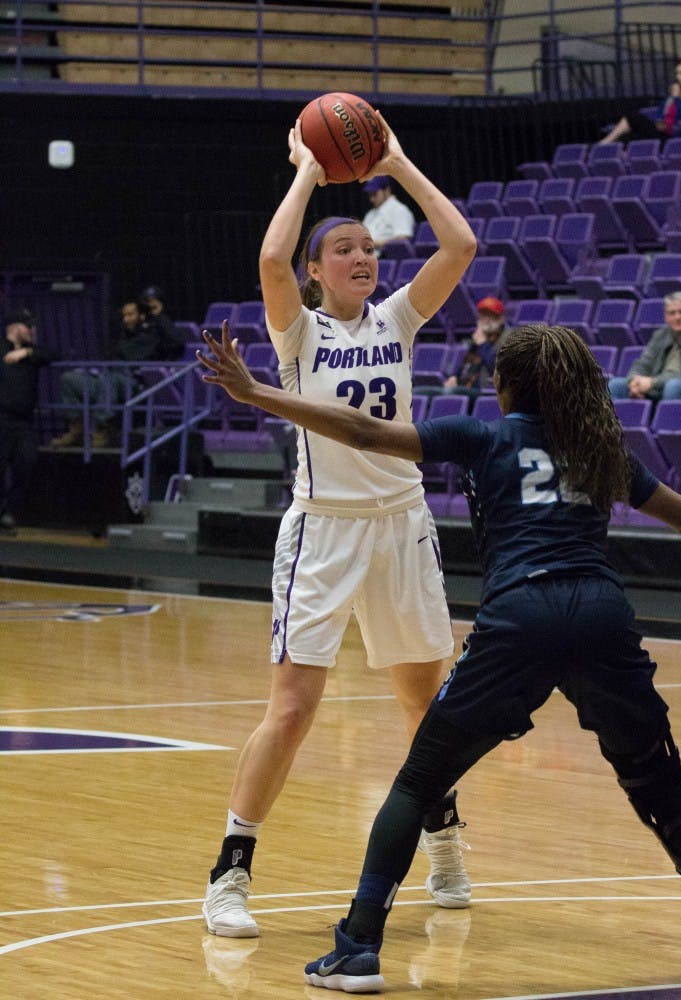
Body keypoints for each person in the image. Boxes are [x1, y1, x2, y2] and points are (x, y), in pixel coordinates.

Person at [199, 320, 681, 993]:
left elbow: (362, 432)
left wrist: (258, 392)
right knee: (660, 784)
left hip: (520, 619)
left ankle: (357, 948)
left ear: (503, 386)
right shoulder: (602, 445)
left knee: (418, 782)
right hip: (601, 614)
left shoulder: (485, 435)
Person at [200, 111, 477, 939]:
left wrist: (396, 161)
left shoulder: (396, 319)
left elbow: (458, 245)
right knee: (293, 708)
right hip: (323, 531)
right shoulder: (300, 332)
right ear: (319, 271)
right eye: (345, 249)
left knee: (427, 706)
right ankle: (230, 874)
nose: (363, 256)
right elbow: (268, 257)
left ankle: (445, 841)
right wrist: (306, 172)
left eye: (369, 248)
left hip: (401, 524)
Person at [50, 297, 186, 448]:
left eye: (130, 315)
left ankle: (102, 429)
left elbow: (178, 342)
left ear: (141, 316)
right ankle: (76, 431)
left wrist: (159, 315)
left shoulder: (154, 335)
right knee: (69, 379)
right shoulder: (122, 336)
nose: (126, 319)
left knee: (112, 379)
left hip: (136, 384)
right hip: (107, 381)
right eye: (124, 315)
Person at [0, 308, 53, 534]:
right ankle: (3, 515)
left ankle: (9, 510)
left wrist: (26, 353)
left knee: (27, 463)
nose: (31, 330)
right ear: (14, 328)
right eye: (27, 326)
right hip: (1, 418)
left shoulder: (32, 354)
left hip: (23, 421)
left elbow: (52, 355)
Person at [608, 292, 681, 402]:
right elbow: (643, 364)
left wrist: (652, 383)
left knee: (674, 386)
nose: (677, 317)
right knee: (615, 385)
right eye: (672, 313)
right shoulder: (660, 334)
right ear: (665, 316)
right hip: (657, 385)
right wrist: (634, 382)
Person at [600, 58, 681, 144]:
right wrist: (659, 122)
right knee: (626, 138)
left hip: (675, 136)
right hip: (662, 131)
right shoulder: (675, 92)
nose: (678, 77)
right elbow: (660, 113)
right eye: (677, 73)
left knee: (634, 118)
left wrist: (677, 99)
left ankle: (603, 144)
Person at [440, 296, 507, 399]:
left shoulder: (506, 338)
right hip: (465, 386)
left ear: (500, 318)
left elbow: (494, 369)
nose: (486, 320)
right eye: (483, 315)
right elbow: (466, 362)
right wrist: (454, 377)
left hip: (486, 390)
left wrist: (483, 344)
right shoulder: (479, 336)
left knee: (451, 392)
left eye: (491, 316)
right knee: (421, 392)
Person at [362, 175, 416, 254]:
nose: (371, 199)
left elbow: (402, 240)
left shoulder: (399, 210)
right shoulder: (370, 214)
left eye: (374, 194)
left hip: (384, 258)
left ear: (387, 190)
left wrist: (372, 244)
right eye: (369, 194)